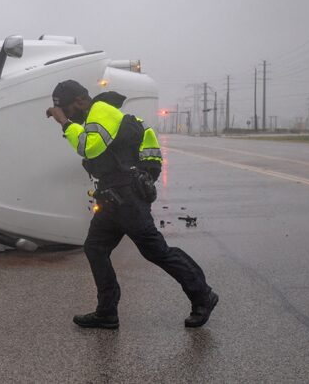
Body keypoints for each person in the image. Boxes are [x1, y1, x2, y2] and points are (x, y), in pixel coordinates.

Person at [46, 80, 217, 329]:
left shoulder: (100, 111)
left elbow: (89, 148)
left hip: (126, 200)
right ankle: (106, 312)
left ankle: (203, 295)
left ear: (81, 101)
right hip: (112, 198)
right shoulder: (101, 115)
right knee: (95, 248)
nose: (68, 115)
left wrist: (64, 122)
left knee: (156, 251)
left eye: (68, 109)